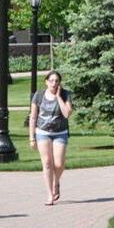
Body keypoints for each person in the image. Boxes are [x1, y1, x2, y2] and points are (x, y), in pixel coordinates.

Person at [29, 70, 73, 206]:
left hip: (60, 132)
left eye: (57, 81)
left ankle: (56, 182)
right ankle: (49, 194)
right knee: (47, 163)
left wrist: (59, 97)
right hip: (42, 132)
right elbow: (33, 116)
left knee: (58, 164)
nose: (54, 83)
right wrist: (32, 137)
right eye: (51, 81)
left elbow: (67, 114)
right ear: (46, 82)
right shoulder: (39, 95)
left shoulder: (65, 94)